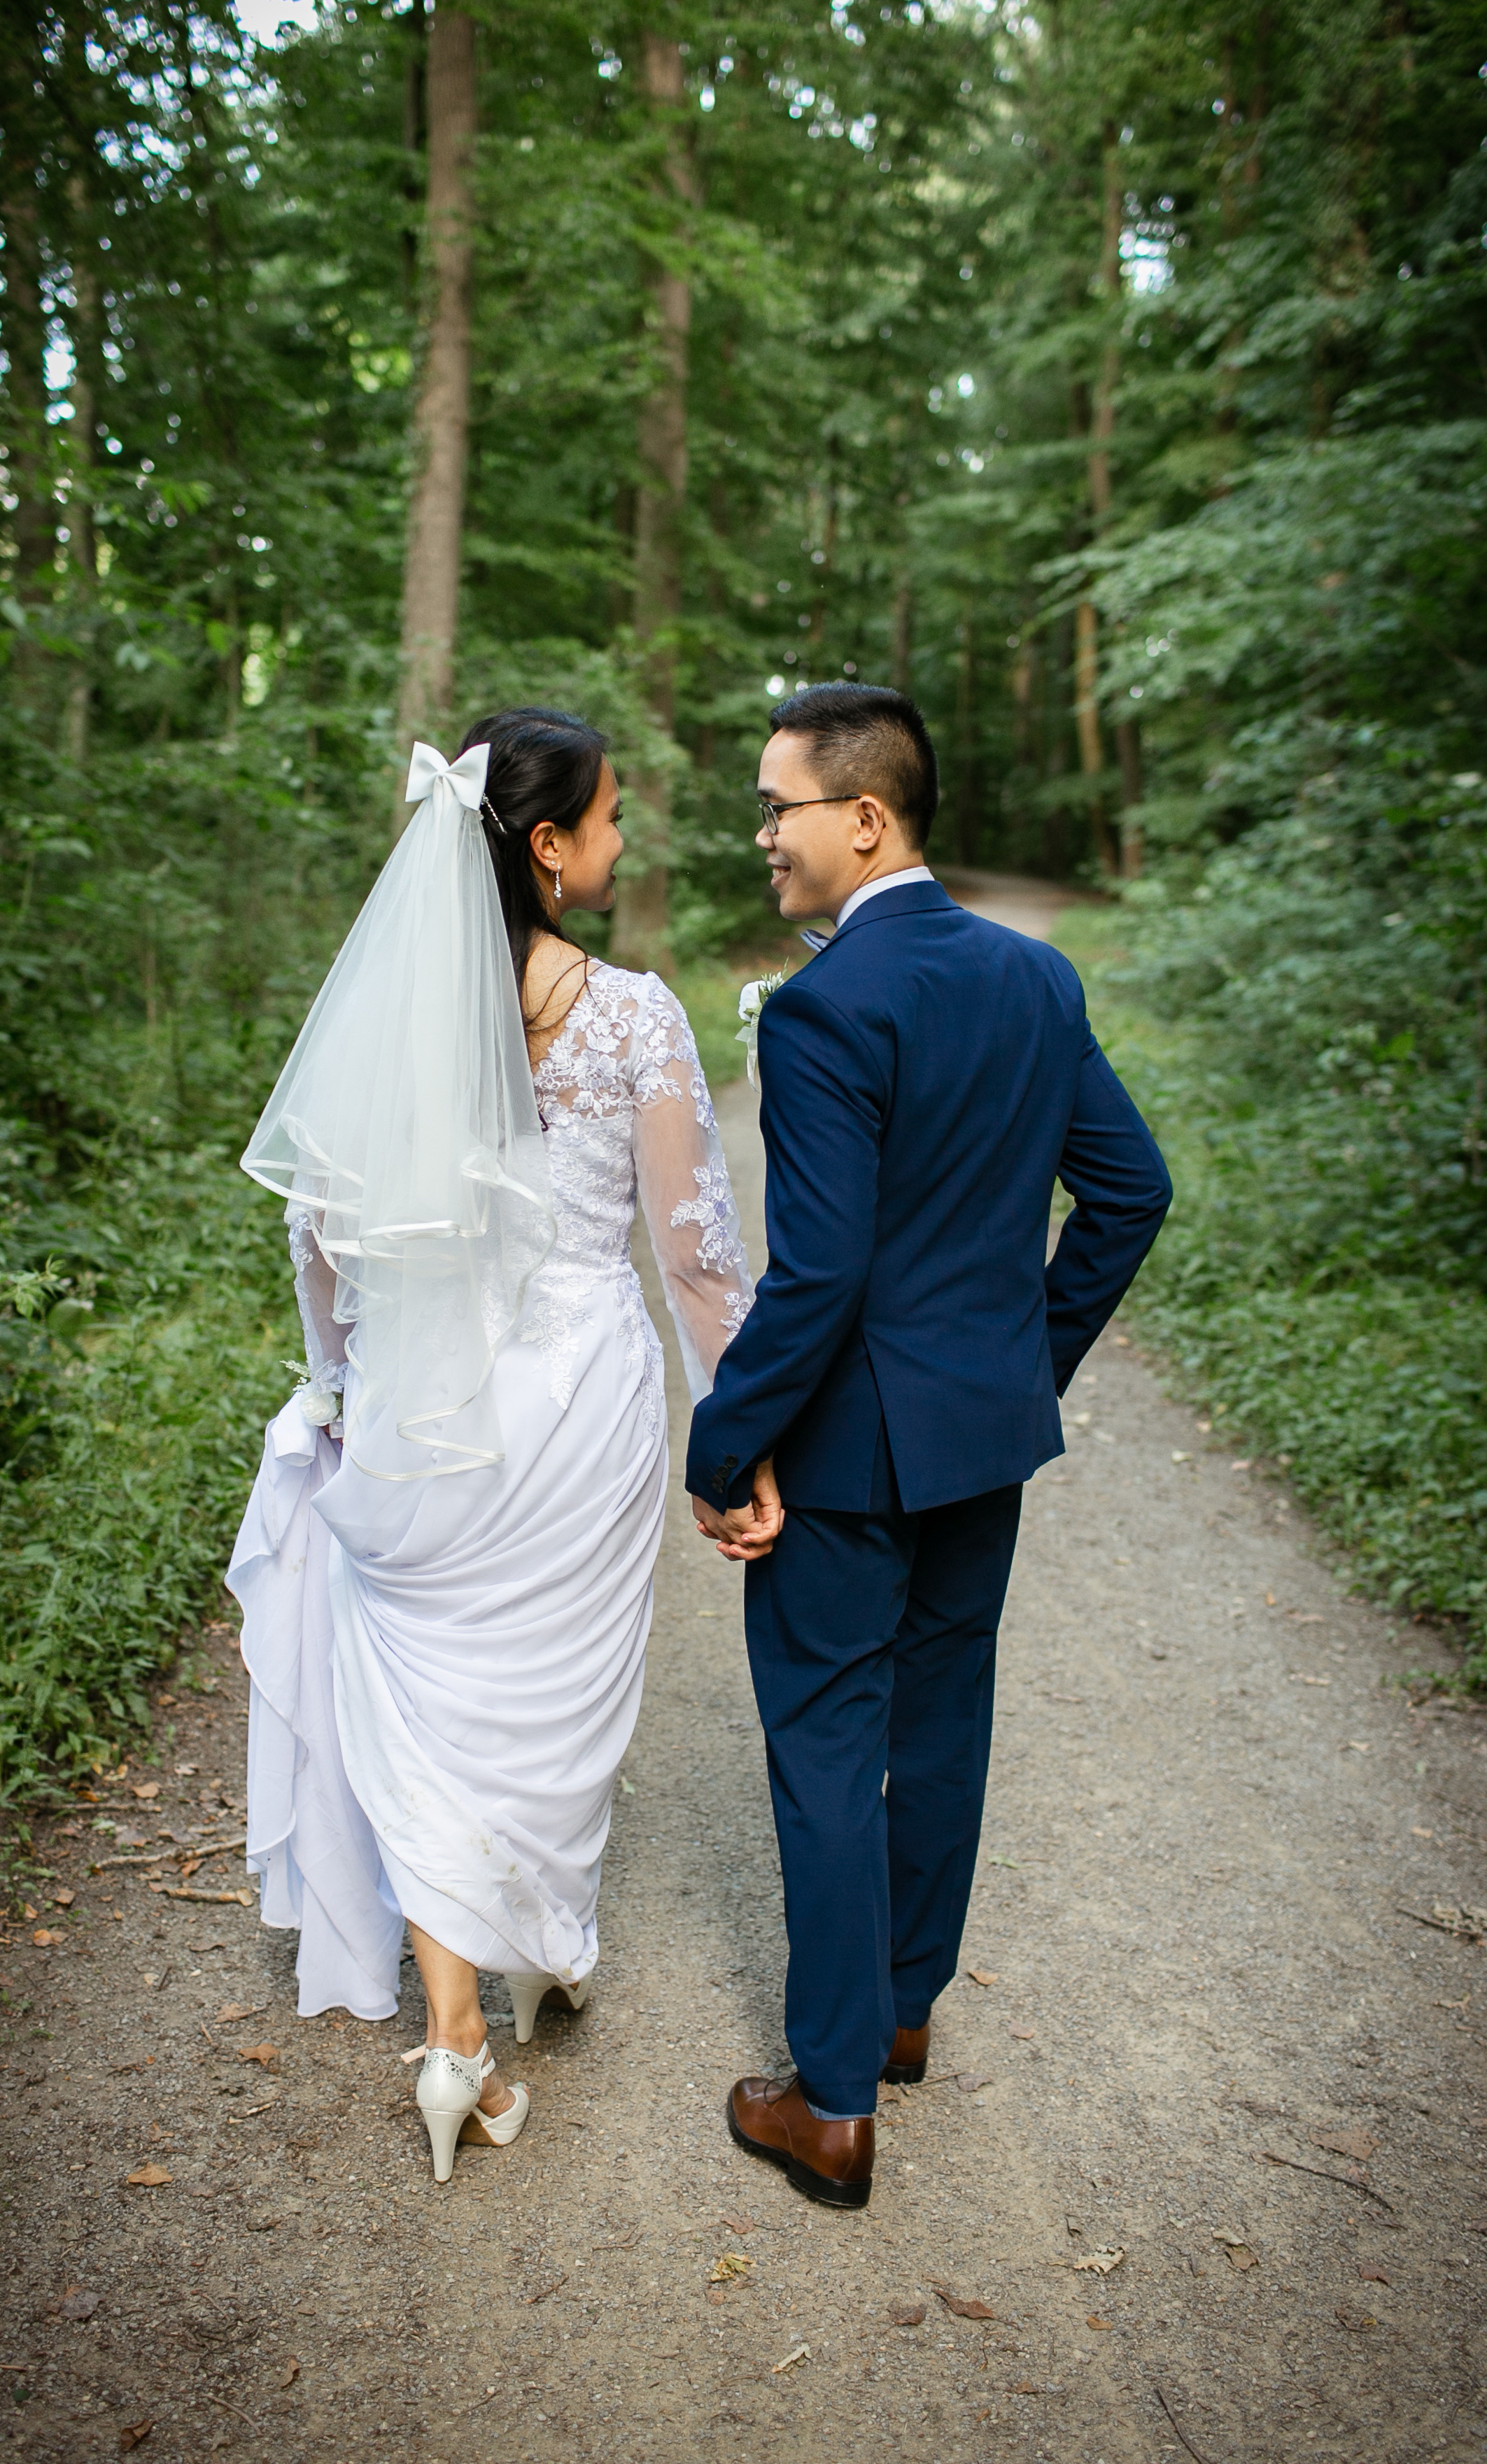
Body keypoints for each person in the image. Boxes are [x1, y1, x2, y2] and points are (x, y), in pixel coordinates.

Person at [227, 710, 755, 2181]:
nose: (619, 838)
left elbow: (317, 1232)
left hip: (425, 1401)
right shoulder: (637, 1014)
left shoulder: (390, 1013)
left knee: (427, 1694)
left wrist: (334, 1385)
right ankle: (540, 1946)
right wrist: (745, 1422)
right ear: (544, 844)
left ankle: (456, 2037)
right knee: (548, 1694)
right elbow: (695, 1251)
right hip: (579, 1395)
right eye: (606, 817)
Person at [686, 682, 1171, 2210]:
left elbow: (818, 1275)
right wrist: (1021, 1361)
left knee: (828, 1743)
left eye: (778, 805)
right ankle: (898, 2011)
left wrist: (724, 1443)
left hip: (842, 1455)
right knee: (939, 1718)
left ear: (865, 817)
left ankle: (829, 2103)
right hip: (977, 1437)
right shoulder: (1034, 980)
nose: (761, 831)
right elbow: (1131, 1190)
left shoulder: (830, 1006)